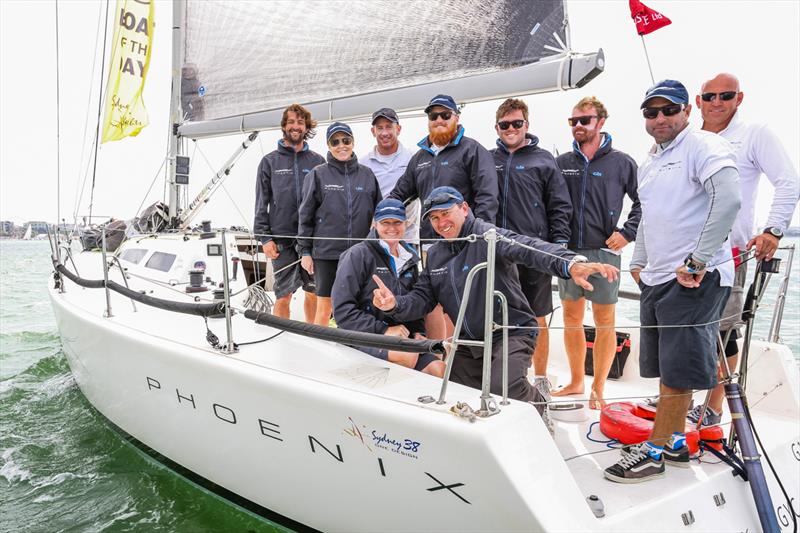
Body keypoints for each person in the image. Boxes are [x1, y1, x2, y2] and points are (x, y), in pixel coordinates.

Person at [371, 186, 618, 422]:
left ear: (464, 208)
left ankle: (539, 405)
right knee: (454, 395)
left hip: (511, 331)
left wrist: (570, 263)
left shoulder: (489, 236)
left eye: (446, 213)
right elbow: (422, 299)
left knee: (504, 386)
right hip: (469, 341)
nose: (441, 222)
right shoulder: (435, 254)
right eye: (434, 218)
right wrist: (393, 305)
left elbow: (530, 248)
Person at [604, 80, 740, 483]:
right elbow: (647, 214)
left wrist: (697, 260)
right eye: (651, 112)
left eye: (669, 110)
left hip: (695, 278)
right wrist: (639, 261)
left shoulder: (704, 146)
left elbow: (729, 198)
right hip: (659, 278)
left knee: (679, 369)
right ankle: (677, 442)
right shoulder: (650, 161)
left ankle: (656, 450)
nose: (660, 118)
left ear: (687, 111)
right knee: (667, 366)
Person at [688, 73, 800, 426]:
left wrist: (773, 230)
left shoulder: (755, 135)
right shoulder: (686, 138)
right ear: (697, 101)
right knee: (681, 330)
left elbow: (788, 180)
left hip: (726, 254)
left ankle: (713, 406)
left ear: (739, 98)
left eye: (725, 95)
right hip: (680, 255)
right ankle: (677, 397)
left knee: (723, 332)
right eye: (709, 96)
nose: (716, 102)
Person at [553, 96, 641, 409]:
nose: (578, 126)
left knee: (605, 320)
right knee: (571, 318)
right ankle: (577, 381)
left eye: (584, 120)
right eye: (573, 121)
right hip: (570, 253)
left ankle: (599, 389)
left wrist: (627, 233)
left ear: (600, 123)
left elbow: (644, 201)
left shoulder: (622, 162)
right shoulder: (562, 163)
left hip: (604, 251)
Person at [388, 94, 499, 340]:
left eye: (445, 115)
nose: (439, 119)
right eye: (433, 115)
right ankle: (440, 354)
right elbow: (400, 193)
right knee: (435, 299)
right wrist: (381, 217)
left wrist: (477, 237)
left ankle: (465, 353)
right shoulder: (419, 159)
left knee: (466, 296)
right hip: (431, 243)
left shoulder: (473, 150)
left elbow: (487, 197)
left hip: (467, 242)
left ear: (456, 118)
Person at [490, 97, 572, 401]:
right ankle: (508, 375)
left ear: (527, 124)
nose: (510, 129)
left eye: (516, 123)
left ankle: (540, 377)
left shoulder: (543, 160)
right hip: (498, 251)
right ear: (496, 127)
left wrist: (558, 246)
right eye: (504, 125)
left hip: (536, 251)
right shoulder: (487, 159)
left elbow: (560, 206)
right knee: (498, 314)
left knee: (537, 316)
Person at [332, 198, 445, 377]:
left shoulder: (410, 258)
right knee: (407, 357)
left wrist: (418, 333)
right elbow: (342, 311)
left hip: (400, 338)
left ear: (406, 224)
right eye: (385, 222)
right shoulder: (357, 255)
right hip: (361, 336)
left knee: (439, 369)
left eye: (397, 222)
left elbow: (416, 302)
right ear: (375, 224)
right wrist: (384, 330)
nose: (392, 228)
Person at [298, 122, 381, 327]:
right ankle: (319, 353)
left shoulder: (367, 174)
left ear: (353, 142)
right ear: (328, 145)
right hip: (326, 254)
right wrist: (305, 252)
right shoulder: (317, 174)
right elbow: (305, 215)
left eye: (346, 140)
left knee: (360, 306)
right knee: (324, 307)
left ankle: (359, 349)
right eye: (335, 142)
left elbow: (378, 213)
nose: (341, 145)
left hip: (360, 254)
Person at [254, 104, 325, 322]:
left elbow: (325, 204)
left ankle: (312, 337)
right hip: (281, 240)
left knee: (313, 293)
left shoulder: (318, 162)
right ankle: (281, 335)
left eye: (300, 122)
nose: (296, 126)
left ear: (306, 127)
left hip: (311, 240)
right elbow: (260, 204)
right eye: (291, 122)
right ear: (284, 126)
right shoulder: (269, 162)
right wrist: (265, 238)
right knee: (283, 294)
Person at [360, 108, 419, 243]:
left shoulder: (413, 158)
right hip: (376, 237)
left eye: (389, 127)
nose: (384, 132)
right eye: (379, 128)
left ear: (398, 129)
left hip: (407, 238)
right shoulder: (363, 164)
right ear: (373, 131)